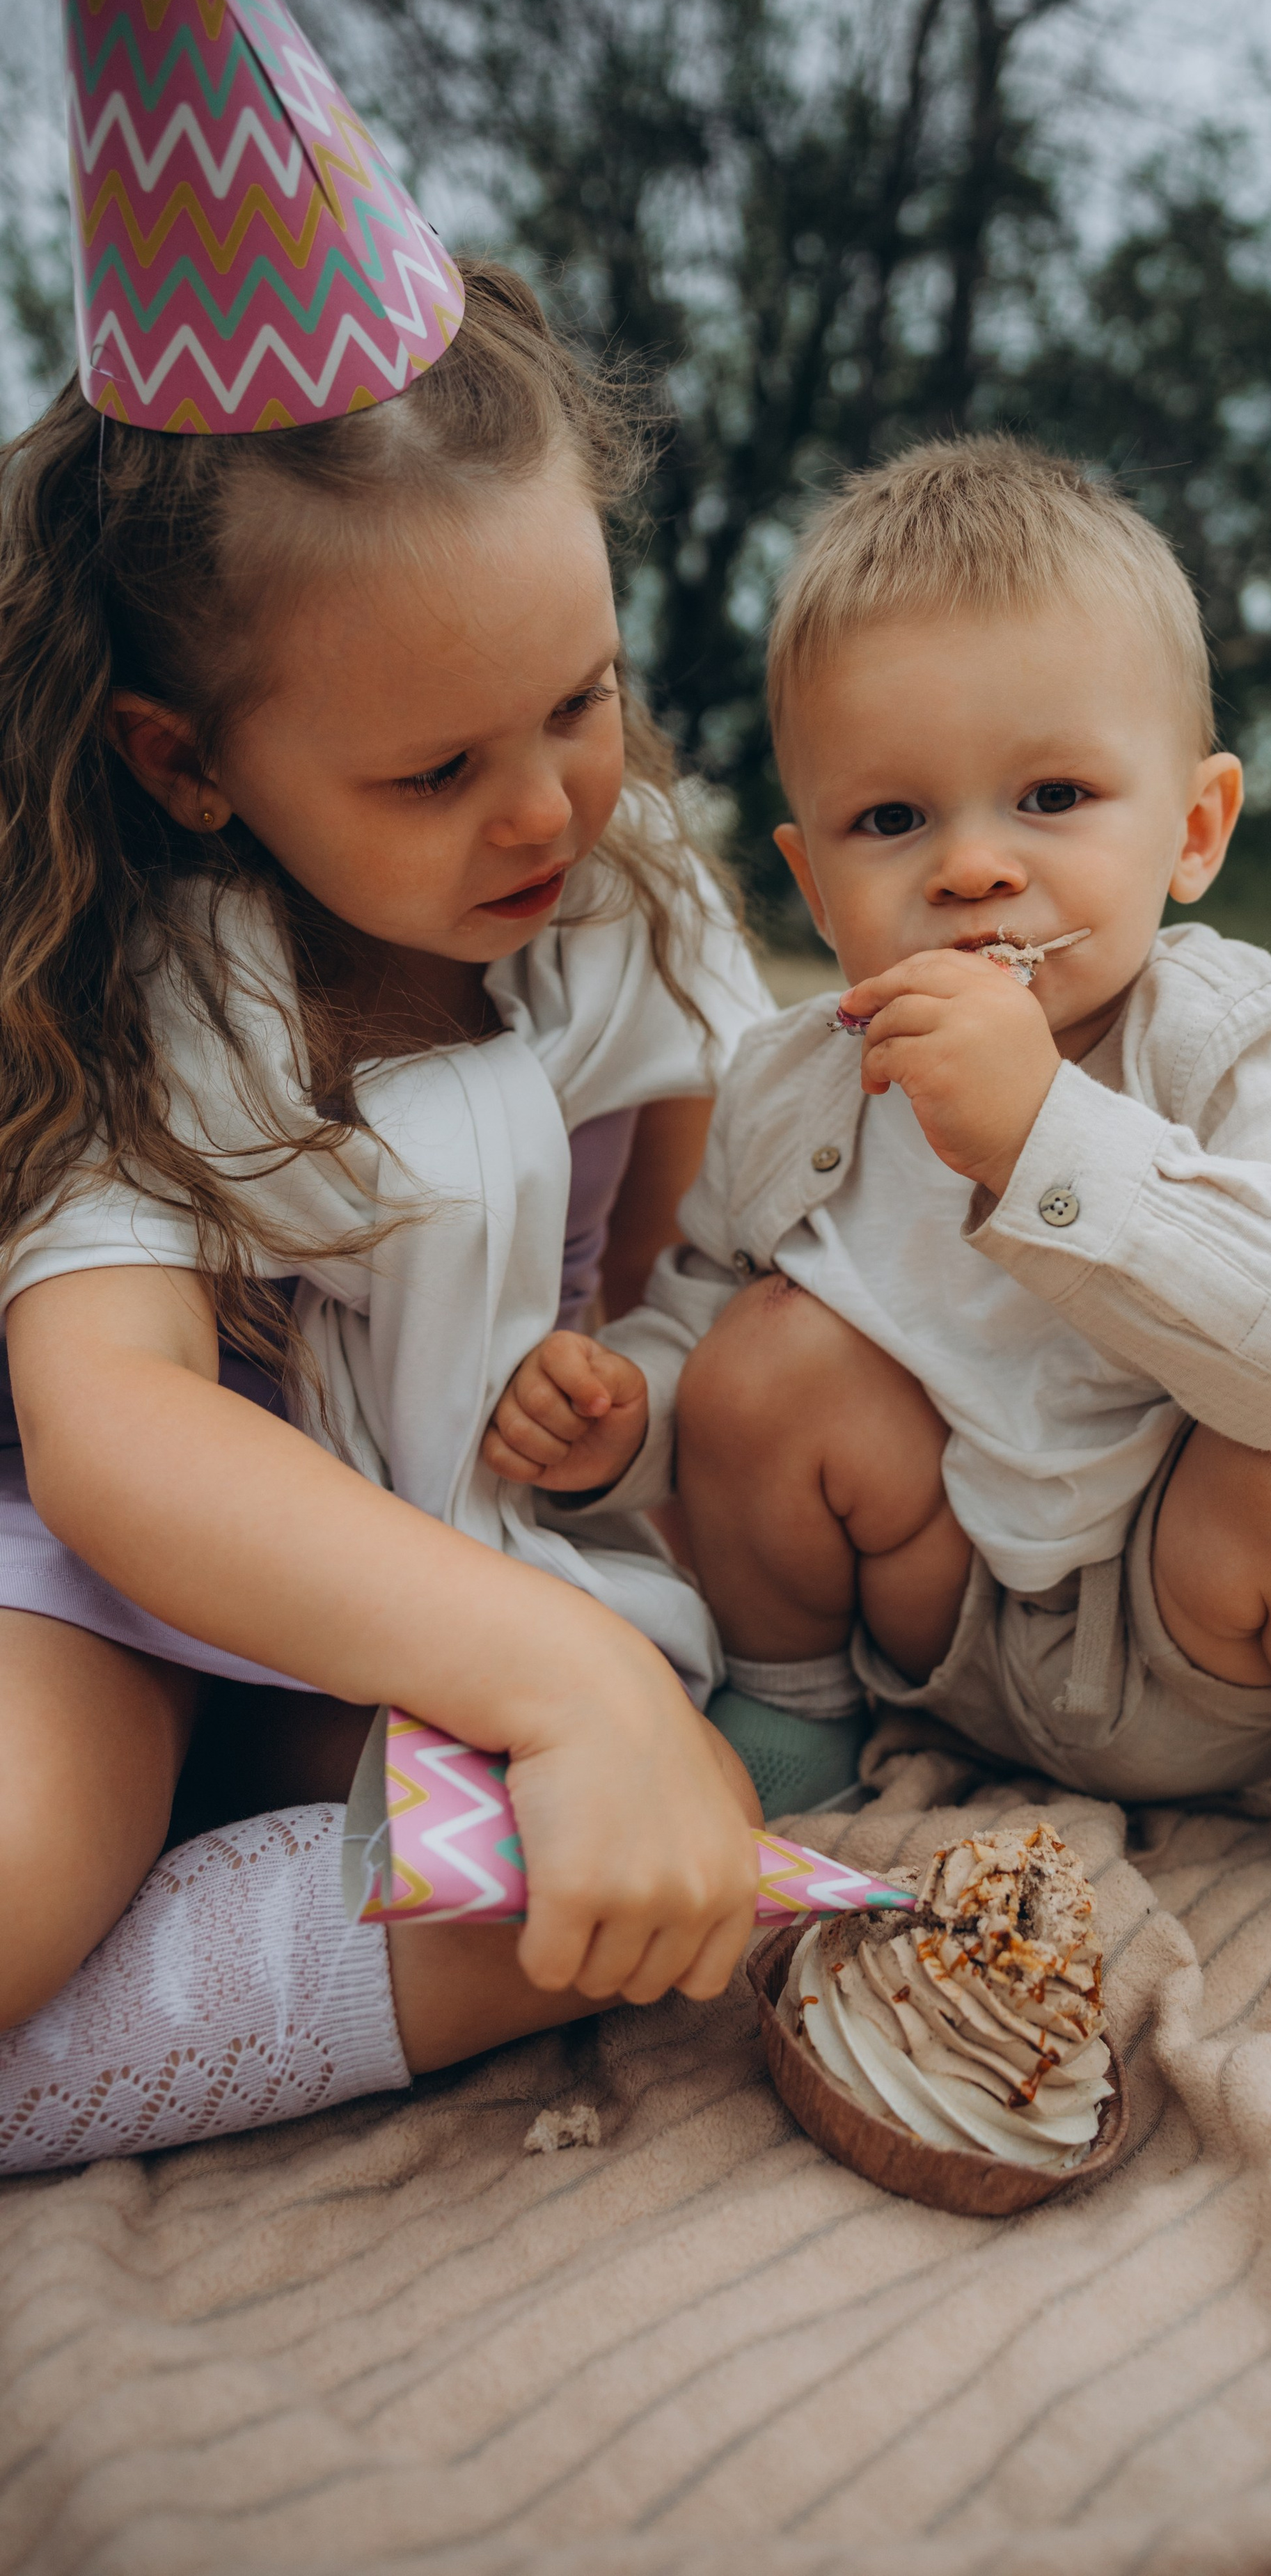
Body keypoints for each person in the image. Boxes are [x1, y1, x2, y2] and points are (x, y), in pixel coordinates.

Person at [506, 437, 1271, 2012]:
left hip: (1203, 1638)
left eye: (1050, 797)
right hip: (940, 1624)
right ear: (813, 885)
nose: (973, 867)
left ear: (1190, 828)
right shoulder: (793, 1083)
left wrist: (1046, 1139)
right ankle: (785, 1709)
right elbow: (703, 1303)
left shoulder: (1244, 1039)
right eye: (889, 819)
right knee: (768, 1356)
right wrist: (629, 1420)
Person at [0, 261, 777, 2175]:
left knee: (619, 1893)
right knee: (28, 1863)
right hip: (127, 1599)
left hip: (457, 1575)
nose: (543, 812)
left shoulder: (627, 913)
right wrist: (566, 1675)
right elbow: (119, 1441)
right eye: (436, 772)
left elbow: (694, 1276)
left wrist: (628, 1424)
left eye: (580, 703)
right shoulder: (150, 987)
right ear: (184, 757)